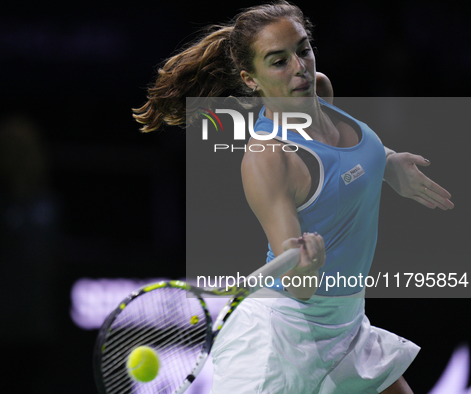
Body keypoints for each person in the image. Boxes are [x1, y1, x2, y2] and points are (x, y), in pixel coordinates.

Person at [133, 2, 453, 393]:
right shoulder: (269, 158)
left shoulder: (319, 88)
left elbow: (343, 164)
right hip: (283, 338)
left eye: (302, 50)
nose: (299, 68)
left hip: (347, 323)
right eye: (278, 61)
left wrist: (388, 162)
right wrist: (308, 264)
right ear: (251, 79)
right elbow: (298, 285)